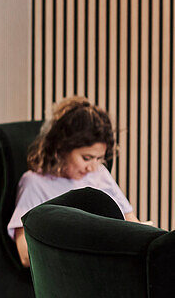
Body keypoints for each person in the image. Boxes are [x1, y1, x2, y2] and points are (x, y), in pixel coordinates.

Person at [8, 96, 139, 267]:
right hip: (70, 270)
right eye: (86, 158)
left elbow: (130, 221)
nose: (92, 167)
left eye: (99, 158)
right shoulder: (35, 183)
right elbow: (25, 255)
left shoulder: (99, 173)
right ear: (62, 148)